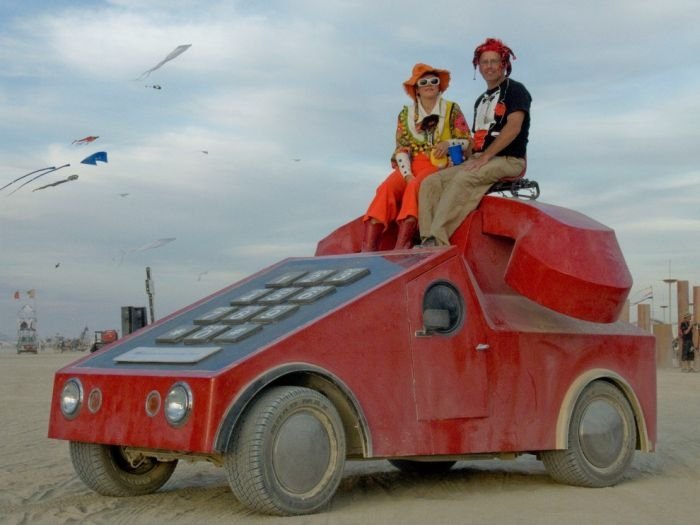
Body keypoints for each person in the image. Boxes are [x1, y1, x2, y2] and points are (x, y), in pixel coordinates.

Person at [418, 38, 531, 247]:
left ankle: (438, 239)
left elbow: (513, 128)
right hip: (480, 158)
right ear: (478, 67)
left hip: (508, 159)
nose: (488, 66)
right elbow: (476, 140)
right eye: (484, 62)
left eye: (493, 61)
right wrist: (461, 156)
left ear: (503, 64)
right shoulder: (481, 100)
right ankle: (426, 240)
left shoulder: (516, 90)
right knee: (431, 182)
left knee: (463, 178)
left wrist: (486, 156)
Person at [362, 63, 471, 251]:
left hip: (440, 165)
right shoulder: (406, 115)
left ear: (439, 86)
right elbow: (401, 149)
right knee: (386, 188)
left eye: (434, 81)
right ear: (416, 89)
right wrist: (406, 174)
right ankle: (369, 246)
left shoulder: (452, 109)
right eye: (424, 82)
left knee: (415, 186)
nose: (429, 85)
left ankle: (402, 244)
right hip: (411, 164)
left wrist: (447, 144)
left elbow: (466, 141)